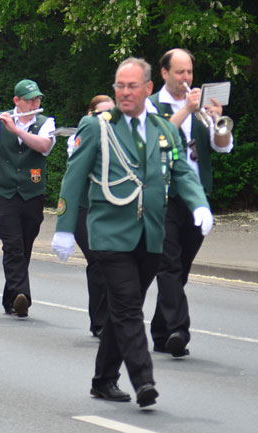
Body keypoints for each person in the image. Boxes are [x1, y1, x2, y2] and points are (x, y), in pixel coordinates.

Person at [51, 57, 212, 408]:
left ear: (149, 89)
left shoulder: (163, 128)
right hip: (110, 233)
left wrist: (199, 204)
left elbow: (182, 171)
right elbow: (73, 178)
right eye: (120, 86)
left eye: (132, 85)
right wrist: (64, 227)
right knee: (127, 309)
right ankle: (144, 380)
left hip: (151, 234)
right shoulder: (97, 126)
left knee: (123, 310)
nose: (125, 92)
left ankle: (103, 379)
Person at [147, 48, 235, 358]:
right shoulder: (151, 105)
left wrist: (215, 120)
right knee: (168, 264)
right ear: (164, 74)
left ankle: (161, 331)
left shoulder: (199, 108)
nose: (186, 79)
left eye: (189, 73)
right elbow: (157, 136)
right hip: (162, 196)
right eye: (179, 73)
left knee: (181, 268)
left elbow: (222, 147)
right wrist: (186, 108)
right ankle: (179, 330)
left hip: (196, 196)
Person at [0, 78, 56, 318]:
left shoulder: (45, 122)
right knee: (13, 246)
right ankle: (23, 296)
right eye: (29, 99)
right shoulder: (0, 120)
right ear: (16, 101)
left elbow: (44, 146)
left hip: (32, 194)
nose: (34, 103)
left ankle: (11, 299)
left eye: (37, 99)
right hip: (3, 193)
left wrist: (17, 130)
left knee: (25, 246)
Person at [67, 95, 115, 338]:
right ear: (89, 116)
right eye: (101, 114)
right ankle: (100, 322)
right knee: (97, 260)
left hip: (110, 211)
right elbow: (76, 174)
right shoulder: (82, 138)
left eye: (111, 113)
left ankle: (113, 317)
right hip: (84, 209)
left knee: (113, 263)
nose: (107, 118)